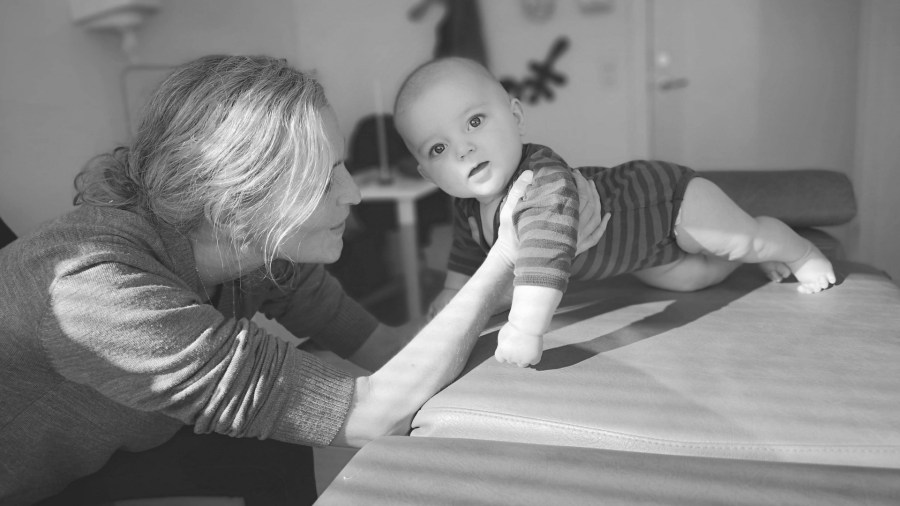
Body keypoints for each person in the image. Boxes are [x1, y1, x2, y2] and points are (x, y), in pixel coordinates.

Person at [0, 54, 606, 505]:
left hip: (118, 445)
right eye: (323, 180)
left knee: (277, 453)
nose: (355, 193)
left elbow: (389, 352)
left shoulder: (260, 258)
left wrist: (524, 279)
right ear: (234, 205)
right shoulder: (95, 293)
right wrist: (503, 259)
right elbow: (372, 414)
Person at [393, 56, 836, 368]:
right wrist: (451, 293)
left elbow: (543, 267)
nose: (463, 149)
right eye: (439, 148)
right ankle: (754, 261)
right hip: (643, 256)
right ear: (428, 174)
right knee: (695, 278)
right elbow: (467, 256)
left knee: (742, 239)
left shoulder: (541, 181)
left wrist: (525, 330)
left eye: (474, 122)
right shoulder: (468, 207)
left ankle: (794, 250)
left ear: (516, 116)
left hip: (667, 203)